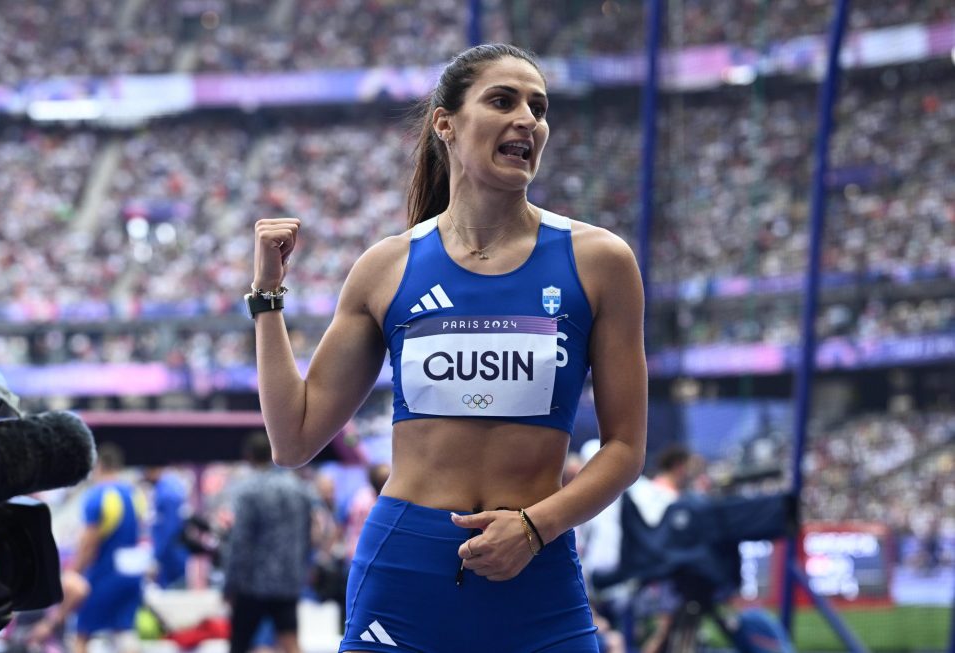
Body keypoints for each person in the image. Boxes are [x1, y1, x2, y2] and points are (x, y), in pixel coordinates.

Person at [249, 42, 647, 653]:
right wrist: (267, 297)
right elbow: (294, 439)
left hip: (536, 574)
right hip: (404, 571)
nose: (528, 120)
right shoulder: (386, 267)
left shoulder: (600, 261)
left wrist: (534, 528)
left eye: (538, 108)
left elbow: (625, 447)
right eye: (503, 101)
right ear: (445, 123)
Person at [223, 432, 319, 653]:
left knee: (239, 645)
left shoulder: (248, 491)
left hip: (252, 584)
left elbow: (240, 542)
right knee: (290, 642)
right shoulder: (300, 488)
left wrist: (230, 585)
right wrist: (303, 569)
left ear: (248, 456)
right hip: (288, 580)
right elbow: (308, 536)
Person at [70, 443, 148, 653]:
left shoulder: (97, 496)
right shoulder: (136, 494)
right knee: (124, 633)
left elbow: (89, 544)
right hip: (131, 576)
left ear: (98, 466)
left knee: (82, 634)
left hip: (103, 575)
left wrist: (75, 571)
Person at [624, 444, 693, 653]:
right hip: (661, 576)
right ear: (679, 466)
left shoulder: (655, 492)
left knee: (667, 632)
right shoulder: (661, 496)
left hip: (661, 573)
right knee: (663, 632)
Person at [142, 465, 190, 588]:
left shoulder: (168, 492)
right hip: (170, 555)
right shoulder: (166, 486)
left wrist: (156, 557)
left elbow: (170, 530)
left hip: (172, 558)